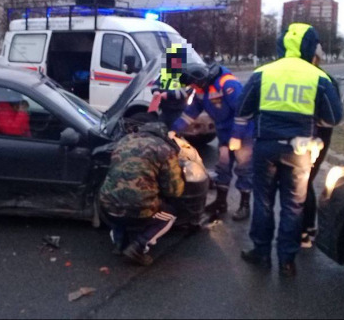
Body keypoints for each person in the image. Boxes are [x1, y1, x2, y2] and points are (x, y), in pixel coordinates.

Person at [236, 23, 343, 277]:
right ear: (309, 46)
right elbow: (333, 119)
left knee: (262, 201)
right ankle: (287, 261)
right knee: (293, 206)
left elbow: (243, 111)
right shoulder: (318, 76)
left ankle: (261, 252)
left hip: (266, 146)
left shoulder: (263, 72)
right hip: (299, 151)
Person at [173, 63, 255, 221]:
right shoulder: (200, 90)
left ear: (200, 79)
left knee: (244, 169)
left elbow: (242, 111)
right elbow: (191, 113)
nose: (193, 88)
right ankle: (221, 202)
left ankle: (245, 205)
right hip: (224, 133)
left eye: (194, 84)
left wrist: (237, 136)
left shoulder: (227, 84)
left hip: (243, 133)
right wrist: (174, 130)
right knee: (223, 168)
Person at [99, 114, 185, 266]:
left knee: (119, 201)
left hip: (106, 207)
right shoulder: (163, 148)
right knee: (170, 213)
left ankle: (120, 243)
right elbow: (174, 190)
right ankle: (138, 246)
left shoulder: (124, 140)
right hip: (138, 210)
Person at [301, 45, 341, 248]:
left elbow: (332, 117)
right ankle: (307, 228)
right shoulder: (317, 77)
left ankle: (307, 229)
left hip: (315, 139)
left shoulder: (324, 80)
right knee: (303, 182)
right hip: (307, 138)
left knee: (304, 182)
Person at [150, 43, 189, 128]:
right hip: (165, 110)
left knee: (175, 134)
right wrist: (156, 91)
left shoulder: (184, 75)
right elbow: (155, 84)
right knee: (161, 131)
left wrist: (168, 94)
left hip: (177, 111)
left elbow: (183, 92)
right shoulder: (165, 73)